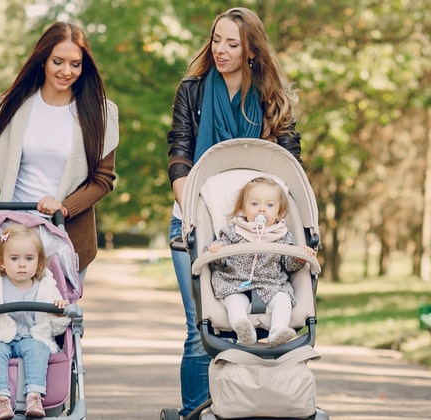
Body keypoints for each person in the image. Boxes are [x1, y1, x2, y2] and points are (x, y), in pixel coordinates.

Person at [165, 7, 301, 416]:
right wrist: (194, 215)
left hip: (263, 229)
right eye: (216, 39)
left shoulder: (271, 98)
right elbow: (180, 154)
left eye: (232, 43)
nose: (219, 50)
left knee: (265, 320)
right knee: (200, 329)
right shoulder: (192, 91)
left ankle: (248, 406)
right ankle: (196, 411)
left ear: (252, 51)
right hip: (196, 220)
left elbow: (290, 167)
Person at [0, 21, 119, 275]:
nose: (66, 71)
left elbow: (103, 180)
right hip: (12, 234)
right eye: (58, 62)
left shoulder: (101, 114)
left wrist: (64, 207)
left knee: (56, 314)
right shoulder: (15, 105)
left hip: (66, 239)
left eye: (75, 64)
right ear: (43, 60)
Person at [0, 224, 70, 420]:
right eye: (14, 259)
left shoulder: (46, 286)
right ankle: (1, 399)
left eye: (29, 259)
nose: (22, 265)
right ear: (1, 262)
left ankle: (34, 396)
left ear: (39, 261)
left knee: (38, 349)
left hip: (31, 336)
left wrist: (60, 312)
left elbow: (57, 327)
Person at [206, 177, 316, 347]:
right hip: (235, 282)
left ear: (279, 213)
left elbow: (289, 265)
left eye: (270, 205)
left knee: (283, 300)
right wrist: (217, 250)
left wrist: (299, 257)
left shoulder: (282, 235)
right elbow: (220, 263)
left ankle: (278, 332)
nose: (262, 209)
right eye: (255, 204)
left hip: (271, 284)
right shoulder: (233, 231)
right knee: (234, 301)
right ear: (243, 207)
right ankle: (243, 329)